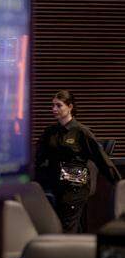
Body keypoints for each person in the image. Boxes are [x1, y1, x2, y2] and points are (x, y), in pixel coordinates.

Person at [35, 89, 120, 232]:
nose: (54, 109)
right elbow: (37, 158)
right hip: (55, 181)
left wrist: (119, 184)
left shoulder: (81, 132)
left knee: (65, 227)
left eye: (59, 105)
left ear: (70, 107)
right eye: (53, 105)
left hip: (76, 183)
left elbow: (102, 160)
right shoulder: (50, 132)